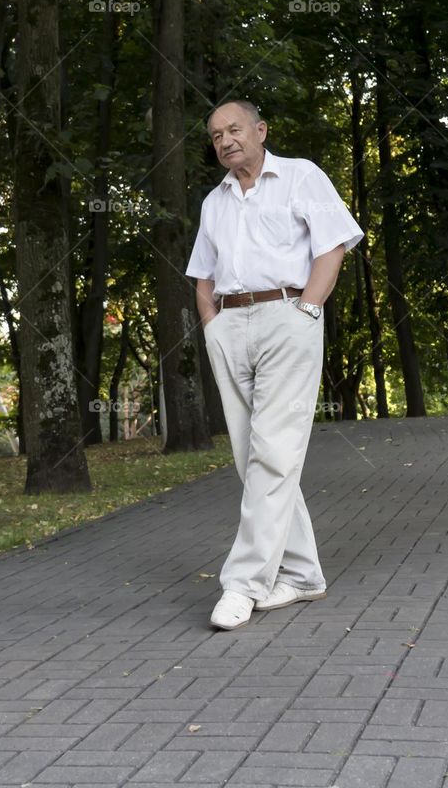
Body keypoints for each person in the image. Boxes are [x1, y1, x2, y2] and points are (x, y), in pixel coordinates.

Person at [185, 99, 364, 630]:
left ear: (261, 130)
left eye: (234, 129)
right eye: (216, 135)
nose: (225, 141)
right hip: (229, 325)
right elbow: (203, 276)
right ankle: (304, 574)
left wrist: (307, 309)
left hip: (288, 314)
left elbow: (332, 247)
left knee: (273, 452)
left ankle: (242, 583)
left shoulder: (301, 176)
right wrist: (212, 324)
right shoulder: (213, 202)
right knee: (252, 456)